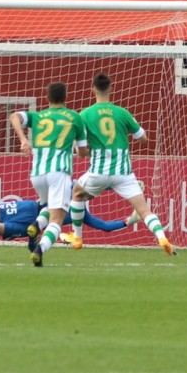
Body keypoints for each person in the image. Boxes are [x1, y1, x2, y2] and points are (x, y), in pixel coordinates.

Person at [71, 73, 175, 256]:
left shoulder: (85, 115)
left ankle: (77, 238)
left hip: (98, 172)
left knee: (77, 194)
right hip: (124, 173)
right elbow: (143, 138)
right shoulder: (122, 112)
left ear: (93, 88)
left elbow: (80, 151)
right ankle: (161, 237)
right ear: (110, 88)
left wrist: (90, 151)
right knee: (144, 211)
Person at [9, 82, 87, 267]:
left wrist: (24, 140)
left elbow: (14, 116)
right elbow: (83, 152)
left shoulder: (38, 116)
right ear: (66, 97)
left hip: (37, 174)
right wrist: (79, 150)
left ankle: (36, 226)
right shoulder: (75, 118)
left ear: (47, 98)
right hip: (58, 173)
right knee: (57, 219)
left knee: (48, 206)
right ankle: (40, 249)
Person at [0, 199, 140, 240]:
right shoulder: (80, 210)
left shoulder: (81, 211)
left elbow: (105, 227)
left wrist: (130, 220)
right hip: (30, 212)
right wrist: (129, 220)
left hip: (28, 213)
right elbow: (105, 227)